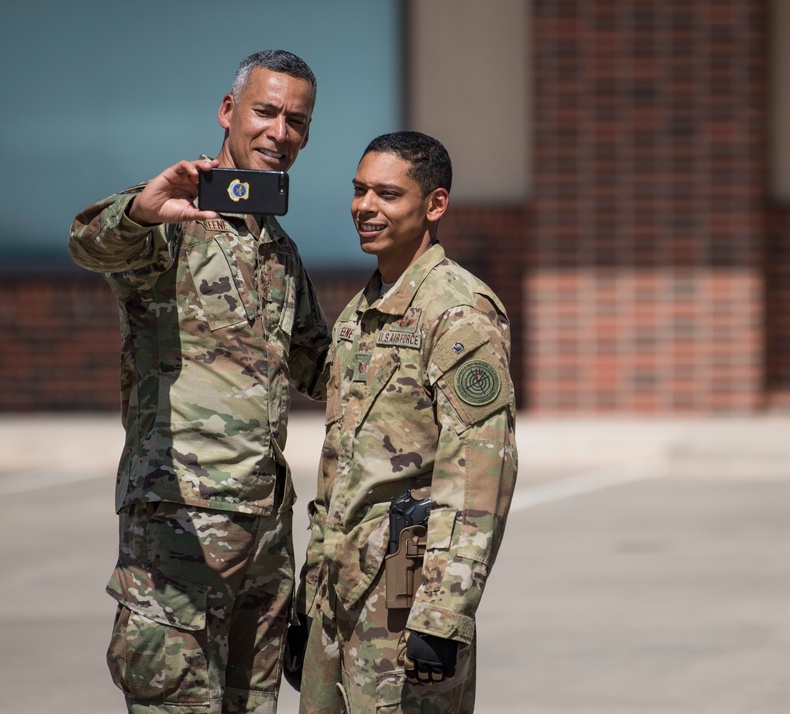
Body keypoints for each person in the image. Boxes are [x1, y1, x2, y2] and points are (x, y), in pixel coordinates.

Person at [68, 50, 331, 714]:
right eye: (266, 112)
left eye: (296, 121)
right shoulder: (170, 222)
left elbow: (323, 368)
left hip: (262, 549)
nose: (280, 132)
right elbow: (93, 243)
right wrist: (141, 211)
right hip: (178, 541)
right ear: (228, 112)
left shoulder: (280, 251)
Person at [291, 131, 517, 713]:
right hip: (337, 599)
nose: (365, 207)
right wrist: (307, 600)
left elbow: (478, 478)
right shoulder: (363, 310)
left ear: (434, 205)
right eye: (359, 191)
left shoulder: (459, 312)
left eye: (387, 194)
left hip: (405, 601)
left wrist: (444, 615)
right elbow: (343, 472)